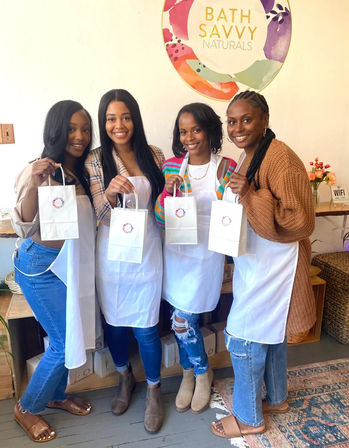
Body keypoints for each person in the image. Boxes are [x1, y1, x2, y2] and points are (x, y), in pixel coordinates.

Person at [210, 91, 316, 439]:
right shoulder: (250, 155)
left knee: (244, 336)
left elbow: (301, 221)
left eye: (246, 119)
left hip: (276, 265)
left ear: (265, 120)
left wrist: (249, 193)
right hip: (257, 262)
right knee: (269, 334)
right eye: (232, 121)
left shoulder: (280, 158)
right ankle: (279, 399)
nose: (237, 127)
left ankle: (248, 417)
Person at [11, 100, 99, 442]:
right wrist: (35, 181)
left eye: (84, 129)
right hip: (40, 267)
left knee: (71, 333)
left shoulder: (82, 171)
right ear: (56, 131)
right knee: (63, 343)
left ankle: (57, 395)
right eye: (71, 129)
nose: (79, 136)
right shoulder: (38, 169)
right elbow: (22, 225)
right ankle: (27, 406)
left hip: (69, 266)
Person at [85, 89, 165, 433]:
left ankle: (153, 390)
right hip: (112, 253)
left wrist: (175, 191)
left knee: (147, 327)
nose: (119, 125)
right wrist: (110, 194)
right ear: (104, 123)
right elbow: (99, 214)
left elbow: (163, 209)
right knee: (115, 324)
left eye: (126, 117)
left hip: (147, 249)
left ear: (135, 119)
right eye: (111, 119)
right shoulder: (94, 160)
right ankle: (124, 378)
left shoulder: (154, 155)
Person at [155, 103, 237, 414]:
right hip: (176, 254)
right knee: (179, 320)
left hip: (206, 257)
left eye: (196, 129)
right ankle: (189, 374)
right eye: (183, 131)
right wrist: (166, 192)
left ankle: (201, 372)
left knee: (180, 321)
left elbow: (235, 213)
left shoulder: (227, 168)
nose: (189, 137)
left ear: (210, 131)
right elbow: (161, 219)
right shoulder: (172, 166)